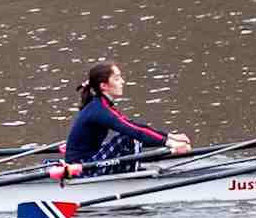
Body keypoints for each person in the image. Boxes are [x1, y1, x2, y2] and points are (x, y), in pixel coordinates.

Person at [63, 61, 191, 172]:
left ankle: (133, 168)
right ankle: (134, 174)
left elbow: (134, 125)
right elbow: (133, 130)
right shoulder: (100, 110)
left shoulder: (101, 104)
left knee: (132, 134)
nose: (122, 81)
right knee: (129, 137)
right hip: (82, 168)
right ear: (104, 86)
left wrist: (170, 136)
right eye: (117, 79)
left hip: (87, 161)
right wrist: (170, 144)